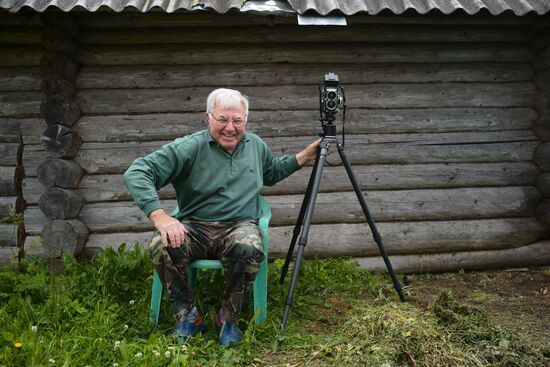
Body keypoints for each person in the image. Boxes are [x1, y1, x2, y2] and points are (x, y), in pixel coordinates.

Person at [123, 88, 320, 347]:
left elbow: (270, 173)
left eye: (237, 121)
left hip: (239, 225)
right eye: (223, 120)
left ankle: (228, 318)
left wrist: (303, 158)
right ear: (208, 117)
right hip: (195, 226)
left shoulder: (255, 145)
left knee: (248, 246)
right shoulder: (189, 147)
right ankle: (188, 316)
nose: (230, 128)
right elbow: (138, 171)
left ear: (245, 121)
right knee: (161, 245)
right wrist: (159, 216)